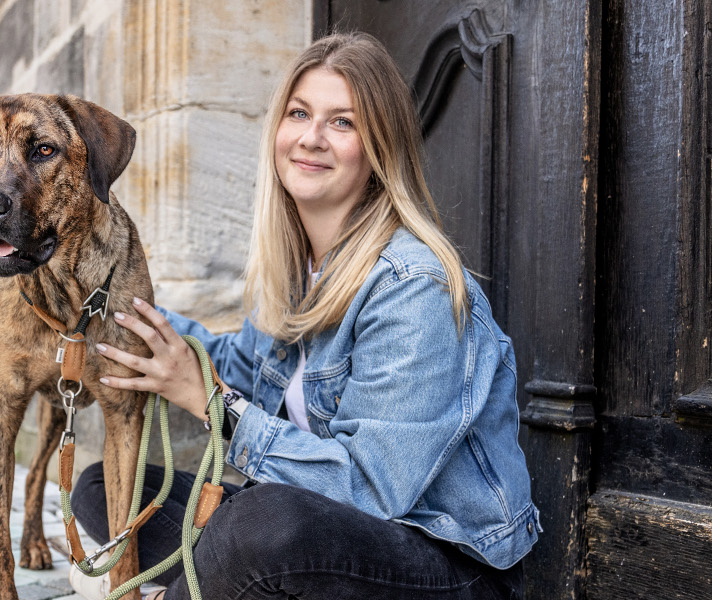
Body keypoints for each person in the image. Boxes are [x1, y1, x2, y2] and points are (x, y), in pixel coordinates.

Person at [68, 32, 537, 600]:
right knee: (105, 488)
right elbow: (229, 365)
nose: (311, 138)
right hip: (320, 536)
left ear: (379, 148)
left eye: (343, 122)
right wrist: (119, 315)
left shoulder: (415, 286)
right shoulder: (293, 272)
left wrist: (214, 406)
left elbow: (370, 490)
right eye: (299, 113)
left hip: (440, 565)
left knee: (261, 523)